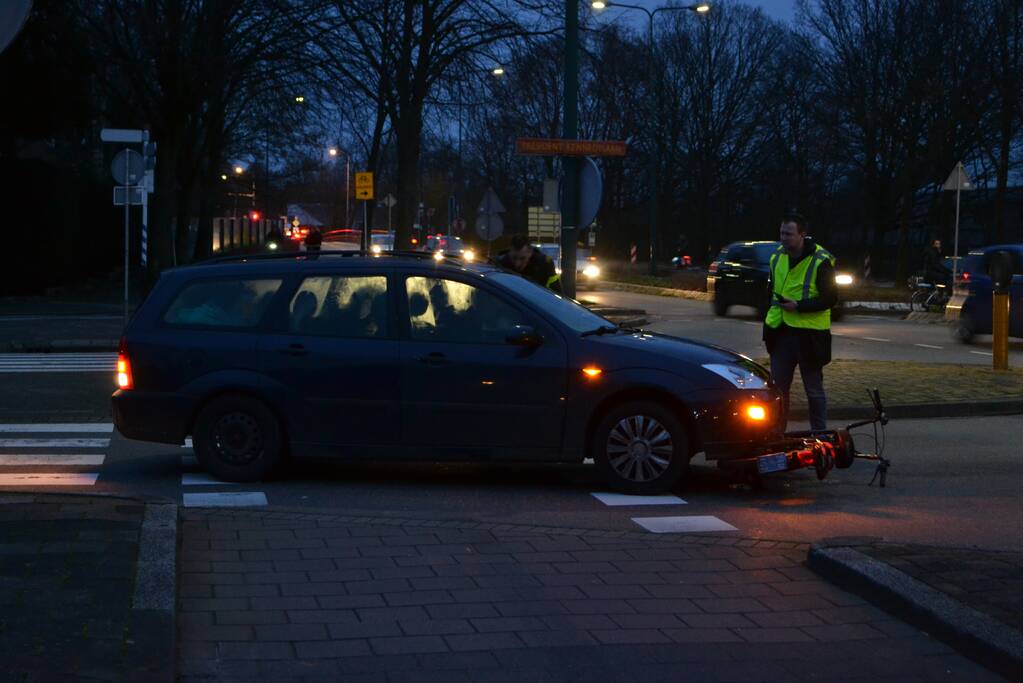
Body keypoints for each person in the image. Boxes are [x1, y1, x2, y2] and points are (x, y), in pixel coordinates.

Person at [763, 212, 837, 431]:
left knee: (813, 391)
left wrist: (799, 306)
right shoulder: (777, 256)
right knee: (778, 391)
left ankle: (820, 436)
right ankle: (776, 436)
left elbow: (831, 298)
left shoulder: (821, 260)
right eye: (781, 233)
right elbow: (772, 289)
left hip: (809, 336)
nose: (784, 238)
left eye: (789, 233)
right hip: (781, 333)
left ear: (802, 234)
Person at [497, 234, 562, 293]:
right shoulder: (498, 265)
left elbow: (556, 292)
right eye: (514, 258)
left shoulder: (544, 265)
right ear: (509, 252)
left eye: (522, 258)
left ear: (530, 253)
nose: (517, 264)